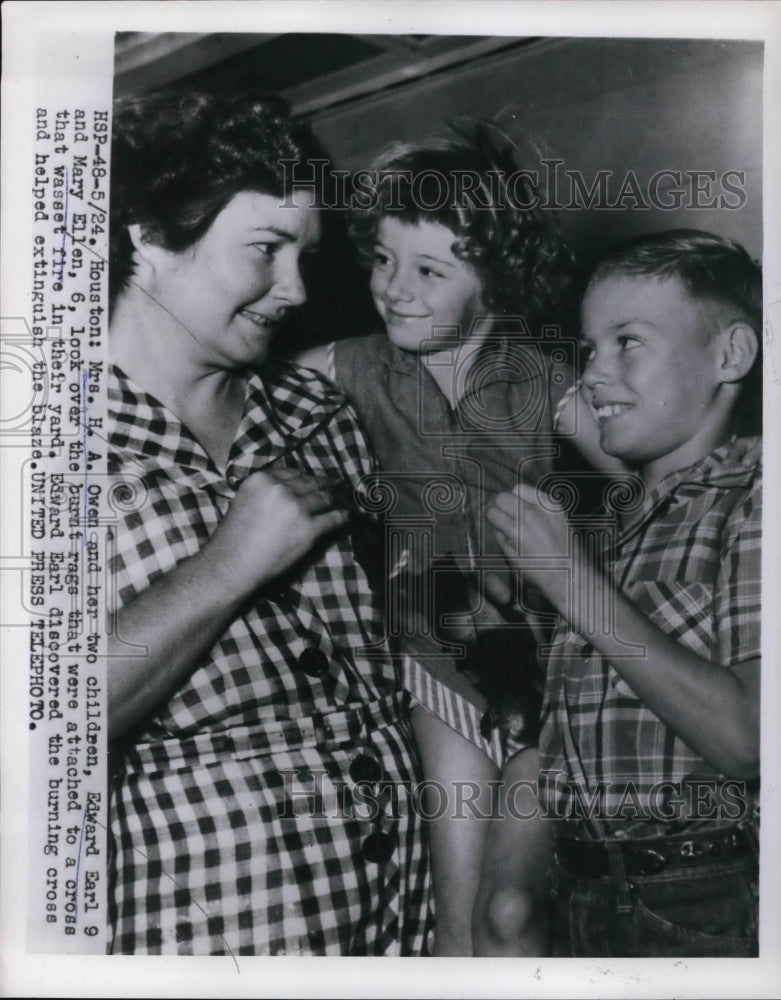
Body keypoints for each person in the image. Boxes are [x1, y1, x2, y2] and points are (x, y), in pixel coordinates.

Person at [106, 88, 432, 956]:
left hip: (393, 927)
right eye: (264, 249)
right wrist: (228, 565)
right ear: (148, 236)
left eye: (307, 253)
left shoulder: (317, 410)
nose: (293, 289)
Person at [297, 127, 616, 954]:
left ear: (495, 280)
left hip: (552, 659)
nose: (394, 289)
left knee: (515, 916)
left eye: (429, 271)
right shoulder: (346, 365)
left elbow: (645, 453)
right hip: (432, 652)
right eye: (381, 260)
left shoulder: (542, 375)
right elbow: (220, 385)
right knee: (459, 905)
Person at [488, 229, 761, 957]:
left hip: (704, 895)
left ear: (730, 355)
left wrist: (572, 585)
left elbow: (749, 740)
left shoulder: (755, 499)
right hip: (582, 890)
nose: (591, 377)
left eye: (627, 343)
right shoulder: (616, 524)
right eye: (587, 350)